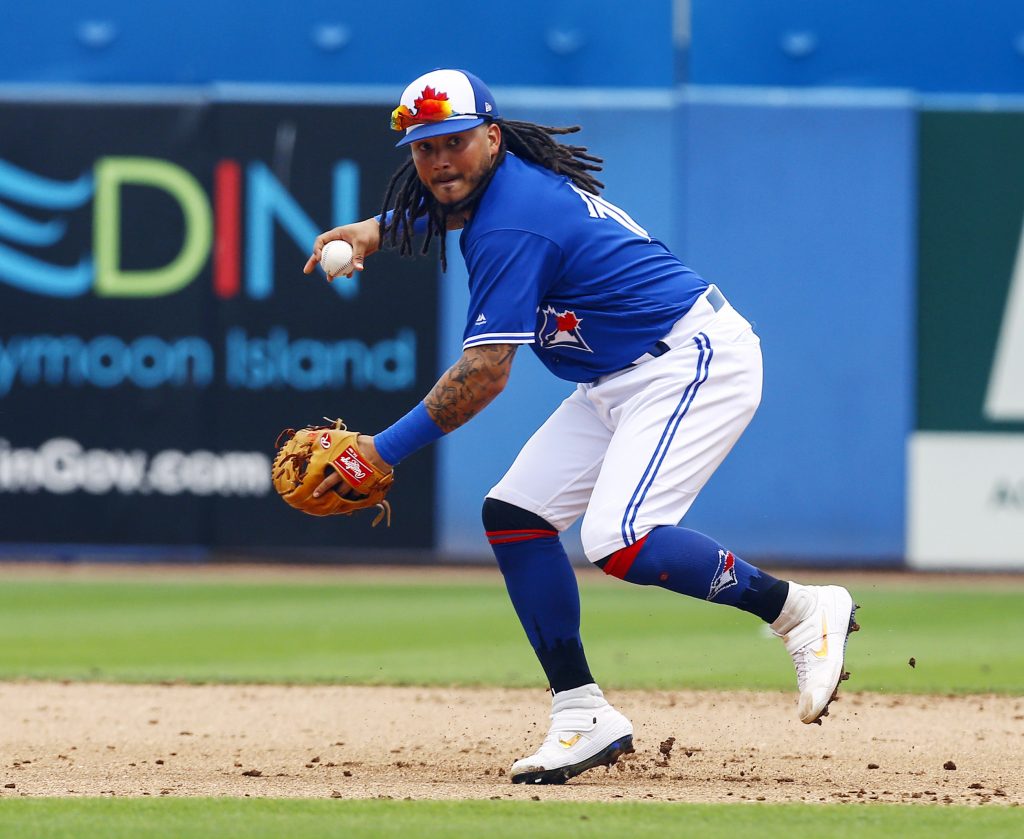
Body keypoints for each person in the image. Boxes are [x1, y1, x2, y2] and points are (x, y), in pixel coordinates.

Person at [303, 68, 859, 785]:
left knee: (619, 538)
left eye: (454, 141)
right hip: (617, 378)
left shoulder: (514, 223)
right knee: (515, 514)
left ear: (492, 137)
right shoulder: (499, 189)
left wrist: (379, 452)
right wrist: (380, 230)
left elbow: (484, 375)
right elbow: (451, 207)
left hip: (690, 361)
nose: (439, 160)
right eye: (423, 147)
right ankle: (581, 712)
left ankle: (799, 609)